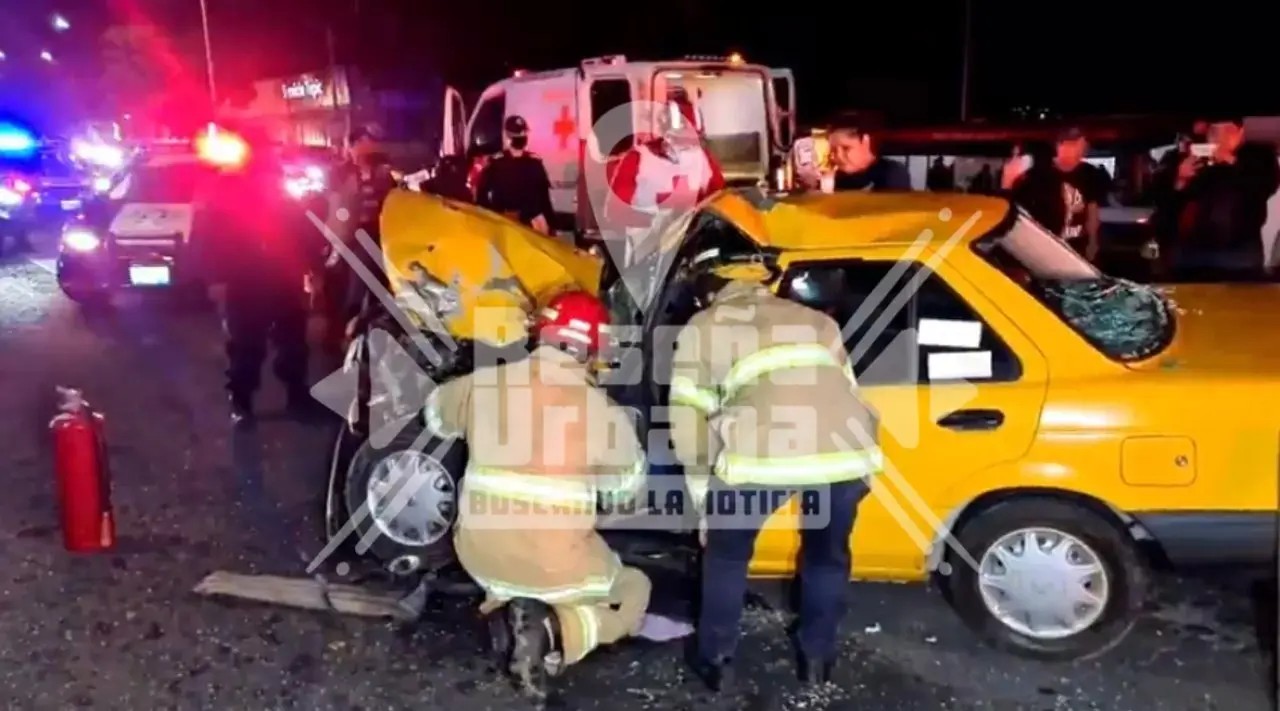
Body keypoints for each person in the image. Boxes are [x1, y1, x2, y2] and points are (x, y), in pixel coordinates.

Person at [667, 250, 881, 691]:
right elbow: (852, 394)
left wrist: (705, 501)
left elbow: (688, 423)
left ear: (707, 289)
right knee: (827, 557)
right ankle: (816, 658)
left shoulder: (704, 327)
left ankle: (716, 660)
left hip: (760, 454)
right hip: (846, 455)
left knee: (726, 556)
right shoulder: (818, 322)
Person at [422, 291, 652, 699]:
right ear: (595, 350)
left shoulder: (484, 384)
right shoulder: (606, 413)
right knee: (635, 587)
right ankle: (553, 631)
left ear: (541, 333)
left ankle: (507, 603)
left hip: (478, 555)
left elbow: (435, 416)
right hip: (554, 564)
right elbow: (626, 492)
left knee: (516, 564)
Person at [196, 131, 327, 425]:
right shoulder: (227, 188)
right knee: (245, 345)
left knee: (293, 342)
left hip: (283, 277)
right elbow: (210, 237)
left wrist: (312, 268)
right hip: (244, 280)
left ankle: (297, 396)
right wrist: (216, 279)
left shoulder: (284, 189)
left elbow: (303, 233)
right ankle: (241, 402)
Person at [604, 88, 726, 266]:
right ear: (665, 132)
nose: (687, 145)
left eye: (693, 139)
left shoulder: (704, 159)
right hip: (647, 259)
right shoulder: (638, 160)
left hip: (691, 257)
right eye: (680, 138)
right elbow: (614, 211)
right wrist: (657, 221)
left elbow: (721, 201)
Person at [1154, 115, 1280, 281]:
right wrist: (1180, 179)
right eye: (1214, 130)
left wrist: (1230, 159)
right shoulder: (1186, 157)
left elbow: (1262, 188)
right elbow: (1164, 204)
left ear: (1240, 132)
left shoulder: (1258, 157)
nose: (1218, 136)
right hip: (1189, 254)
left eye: (1226, 130)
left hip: (1239, 255)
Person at [1002, 128, 1110, 262]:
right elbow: (1016, 210)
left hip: (1076, 247)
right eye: (1077, 147)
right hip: (1048, 248)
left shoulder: (1088, 173)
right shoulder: (1039, 174)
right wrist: (1008, 182)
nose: (1081, 153)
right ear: (1061, 146)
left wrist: (1093, 241)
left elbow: (1092, 208)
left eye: (1083, 148)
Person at [474, 115, 555, 234]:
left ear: (507, 137)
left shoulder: (496, 163)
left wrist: (493, 215)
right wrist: (551, 226)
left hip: (507, 224)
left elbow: (481, 196)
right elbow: (545, 201)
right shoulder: (534, 163)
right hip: (525, 226)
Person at [824, 112, 911, 191]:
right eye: (833, 149)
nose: (837, 156)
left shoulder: (892, 172)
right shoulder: (839, 177)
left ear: (866, 142)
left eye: (846, 148)